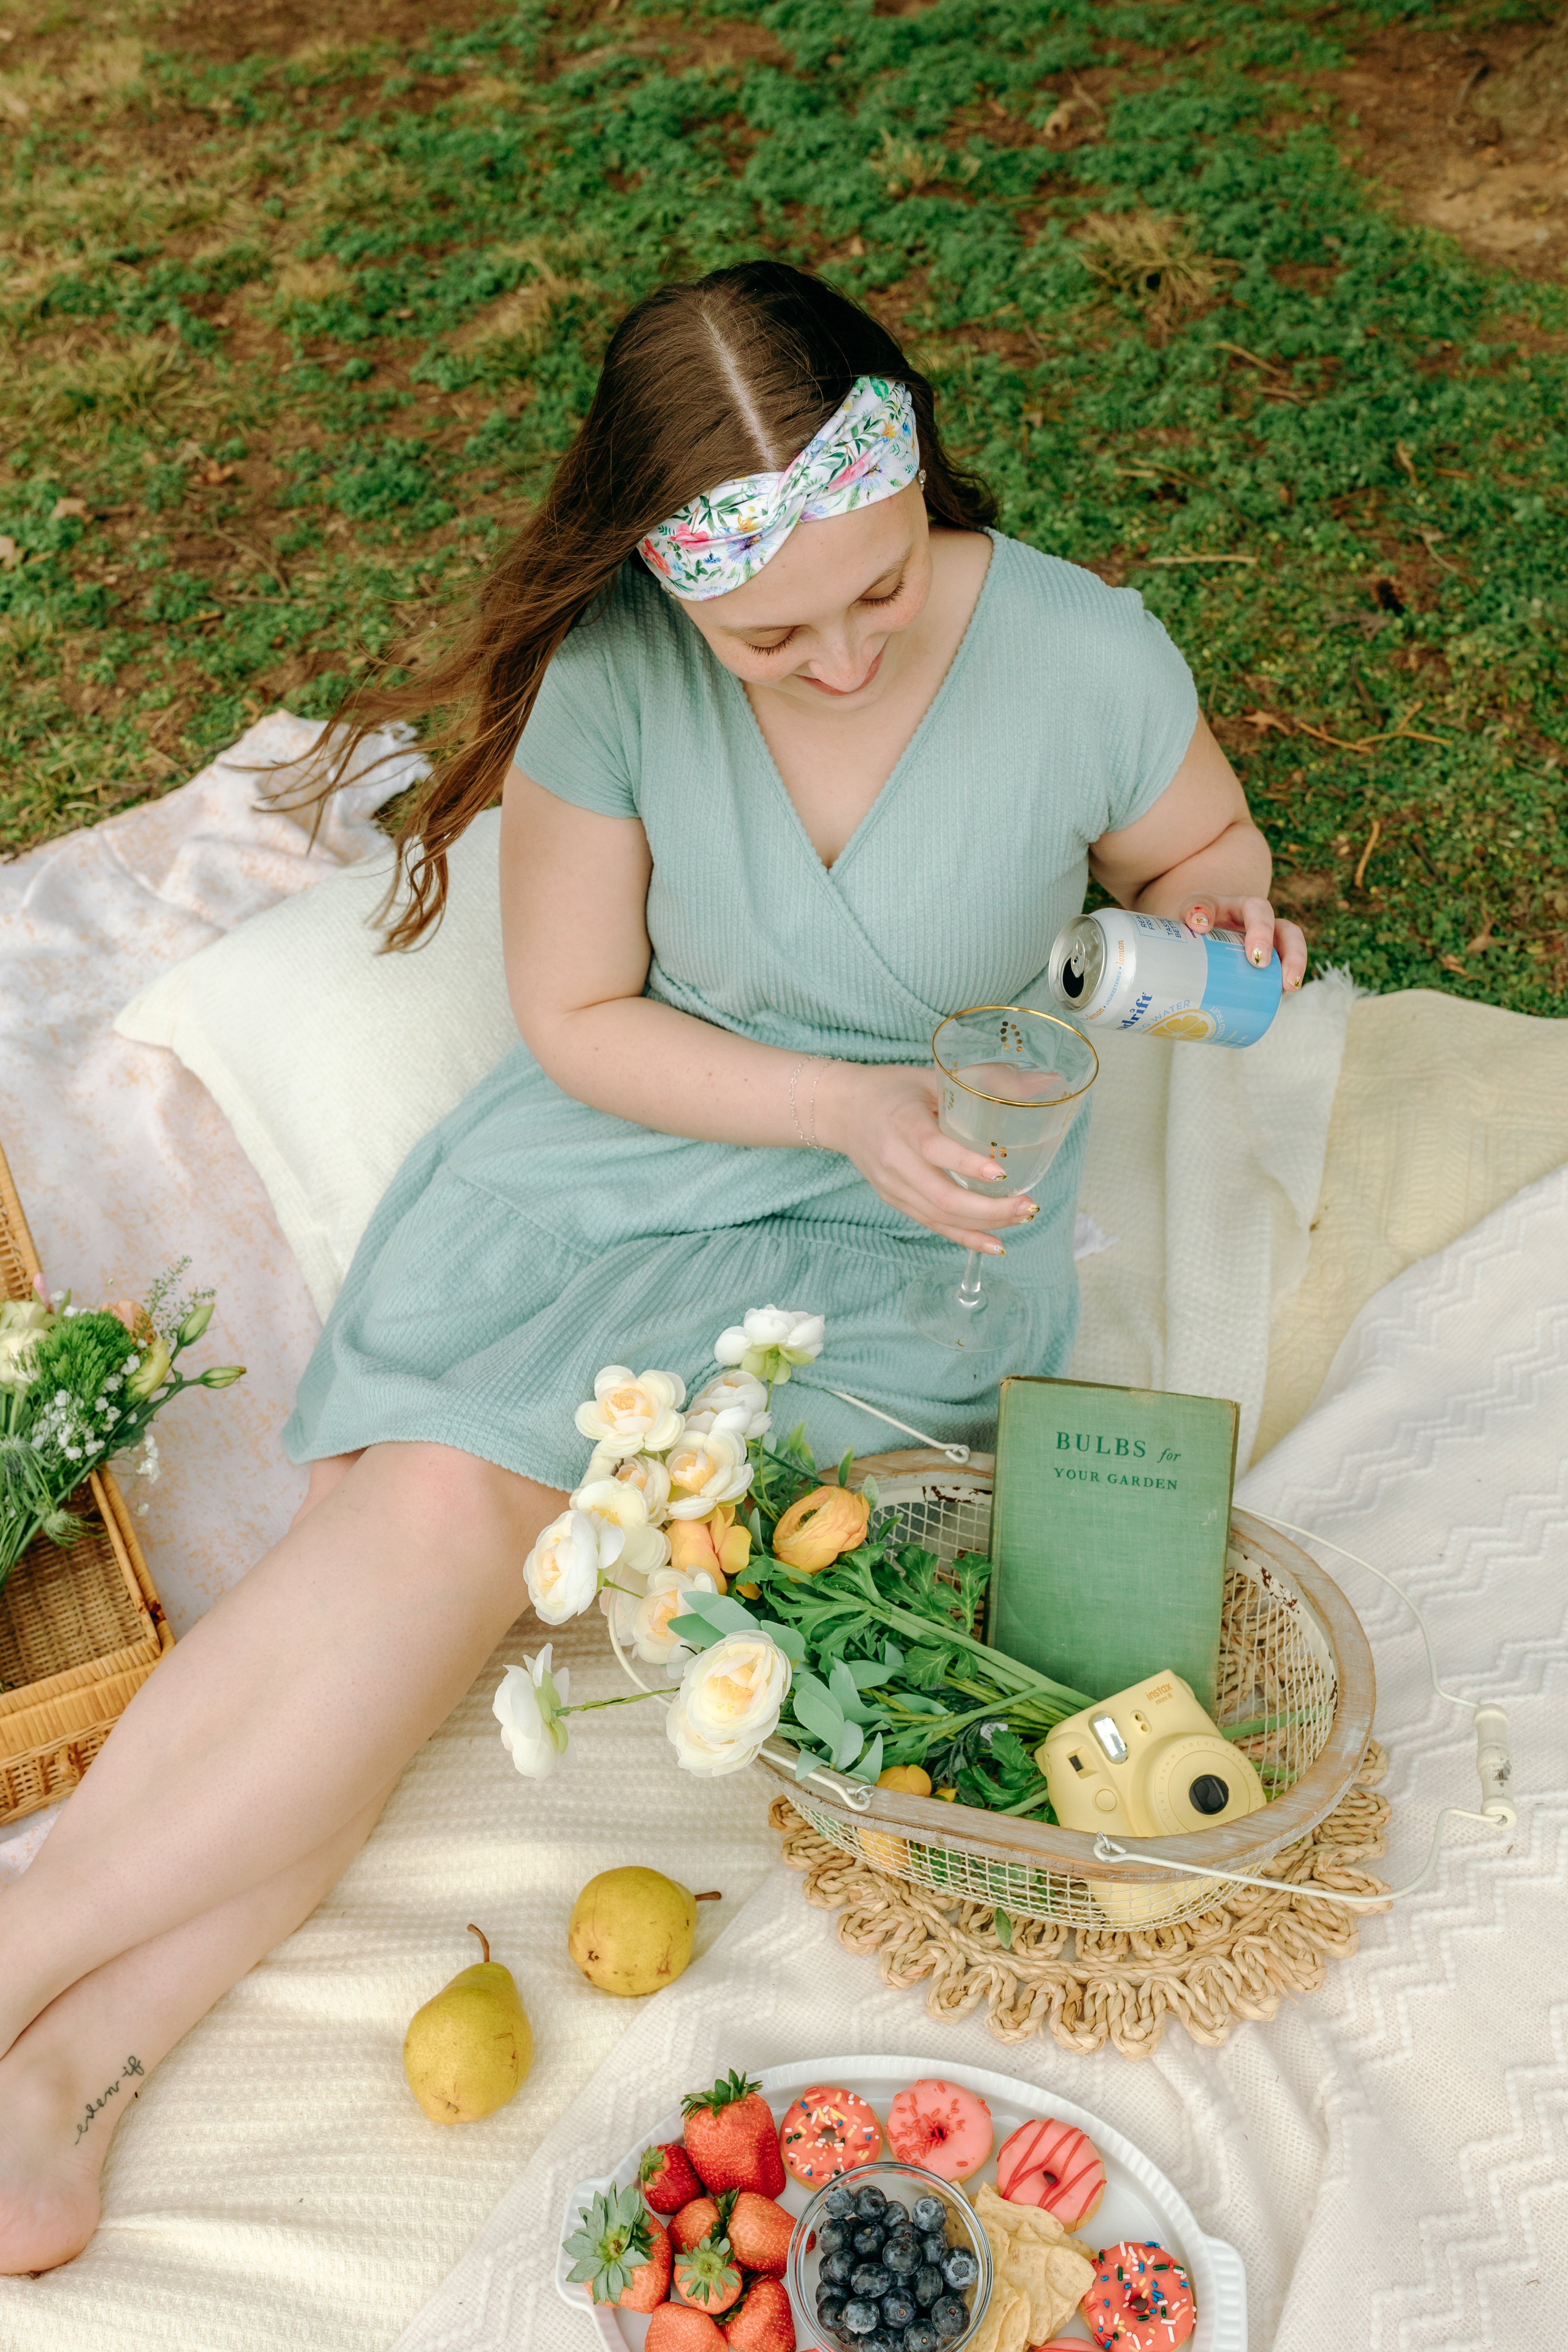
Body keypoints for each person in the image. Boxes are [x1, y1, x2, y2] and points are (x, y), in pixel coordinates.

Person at [0, 261, 1306, 2271]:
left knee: (419, 1554)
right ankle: (66, 2060)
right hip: (643, 1148)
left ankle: (46, 2004)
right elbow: (581, 1015)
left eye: (883, 592)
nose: (850, 655)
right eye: (775, 633)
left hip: (905, 1229)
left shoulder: (1082, 650)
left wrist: (1221, 926)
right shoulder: (618, 672)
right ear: (667, 576)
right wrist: (828, 1101)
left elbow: (1202, 857)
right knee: (421, 1565)